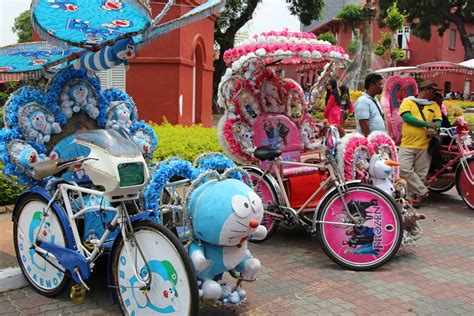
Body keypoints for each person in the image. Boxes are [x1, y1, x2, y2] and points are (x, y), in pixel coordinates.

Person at [398, 81, 442, 206]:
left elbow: (438, 121)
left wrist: (434, 128)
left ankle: (413, 199)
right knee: (403, 169)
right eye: (433, 91)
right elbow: (407, 118)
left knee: (421, 174)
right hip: (407, 143)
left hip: (425, 144)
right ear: (426, 90)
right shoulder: (408, 102)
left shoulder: (434, 106)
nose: (435, 95)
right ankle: (423, 191)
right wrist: (427, 124)